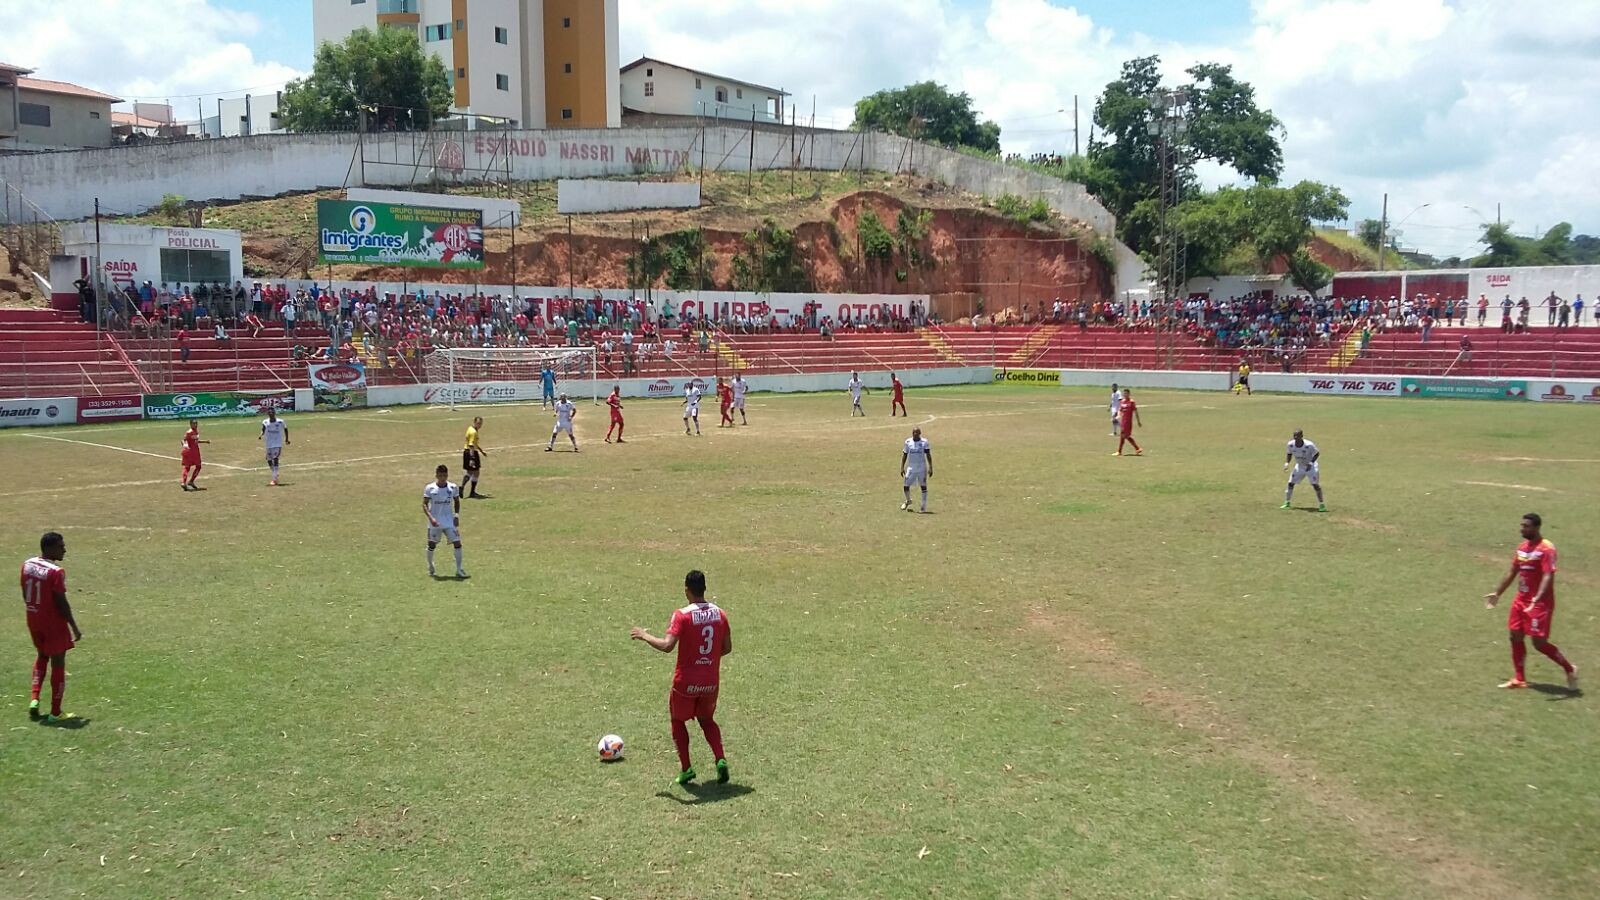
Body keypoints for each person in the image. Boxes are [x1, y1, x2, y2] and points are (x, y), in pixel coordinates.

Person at [629, 570, 733, 787]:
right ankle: (720, 759)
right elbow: (727, 648)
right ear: (704, 588)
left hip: (685, 682)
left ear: (687, 590)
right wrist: (707, 659)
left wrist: (644, 635)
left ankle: (686, 769)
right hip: (711, 682)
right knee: (707, 720)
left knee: (677, 720)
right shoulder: (720, 614)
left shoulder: (682, 615)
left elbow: (667, 646)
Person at [1484, 513, 1578, 691]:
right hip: (1521, 600)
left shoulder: (1546, 549)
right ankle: (1519, 679)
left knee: (1539, 643)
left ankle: (1570, 669)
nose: (1522, 529)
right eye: (1522, 525)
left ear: (1536, 528)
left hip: (1540, 603)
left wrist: (1538, 597)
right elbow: (1512, 572)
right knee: (1515, 635)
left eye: (1526, 526)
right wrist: (1498, 593)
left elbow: (1548, 575)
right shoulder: (1522, 548)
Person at [21, 532, 83, 723]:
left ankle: (34, 699)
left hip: (33, 619)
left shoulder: (28, 564)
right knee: (58, 663)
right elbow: (61, 602)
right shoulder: (55, 572)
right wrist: (73, 626)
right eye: (60, 546)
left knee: (41, 655)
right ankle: (55, 712)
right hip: (52, 623)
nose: (64, 549)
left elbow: (25, 591)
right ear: (48, 548)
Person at [422, 465, 466, 578]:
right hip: (435, 522)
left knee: (457, 543)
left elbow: (457, 501)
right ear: (436, 475)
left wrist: (456, 515)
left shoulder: (453, 487)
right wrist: (431, 518)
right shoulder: (430, 488)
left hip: (449, 522)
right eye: (440, 475)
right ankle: (431, 566)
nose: (442, 478)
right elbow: (424, 504)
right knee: (432, 544)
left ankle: (459, 569)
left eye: (445, 475)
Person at [1281, 429, 1325, 512]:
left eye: (1297, 436)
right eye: (1294, 436)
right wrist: (1287, 463)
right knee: (1290, 483)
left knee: (1315, 485)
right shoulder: (1291, 444)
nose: (1295, 437)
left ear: (1302, 436)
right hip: (1299, 466)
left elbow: (1317, 453)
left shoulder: (1309, 445)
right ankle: (1287, 502)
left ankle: (1321, 505)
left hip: (1311, 467)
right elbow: (1289, 453)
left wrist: (1311, 463)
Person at [901, 426, 933, 513]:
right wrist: (902, 467)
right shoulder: (908, 442)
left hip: (921, 467)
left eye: (917, 433)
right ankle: (908, 500)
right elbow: (905, 454)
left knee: (923, 486)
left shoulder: (924, 442)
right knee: (906, 486)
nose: (915, 434)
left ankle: (923, 507)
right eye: (913, 433)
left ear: (920, 433)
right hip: (911, 467)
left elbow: (928, 455)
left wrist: (930, 467)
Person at [260, 407, 290, 487]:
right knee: (269, 460)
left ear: (274, 413)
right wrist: (261, 434)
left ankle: (274, 479)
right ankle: (275, 473)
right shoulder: (265, 422)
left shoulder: (280, 421)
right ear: (268, 414)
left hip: (277, 443)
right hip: (268, 443)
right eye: (269, 413)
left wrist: (286, 439)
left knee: (275, 459)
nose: (271, 414)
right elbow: (263, 429)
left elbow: (286, 429)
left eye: (272, 412)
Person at [180, 419, 209, 491]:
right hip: (189, 452)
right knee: (187, 467)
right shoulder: (189, 432)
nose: (195, 425)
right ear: (190, 424)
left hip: (196, 452)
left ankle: (191, 481)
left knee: (198, 466)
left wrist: (205, 441)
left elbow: (195, 441)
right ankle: (184, 482)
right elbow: (183, 440)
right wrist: (184, 445)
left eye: (196, 423)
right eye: (194, 424)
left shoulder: (196, 432)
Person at [462, 416, 487, 497]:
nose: (480, 425)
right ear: (475, 422)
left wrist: (481, 451)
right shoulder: (473, 432)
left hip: (467, 452)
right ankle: (471, 492)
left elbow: (474, 443)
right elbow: (471, 445)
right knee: (476, 472)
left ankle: (462, 488)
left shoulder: (470, 429)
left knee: (470, 472)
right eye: (478, 423)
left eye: (481, 424)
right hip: (471, 452)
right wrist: (472, 458)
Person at [1114, 388, 1142, 457]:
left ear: (1129, 394)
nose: (1125, 395)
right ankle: (1137, 448)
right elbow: (1120, 410)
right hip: (1123, 421)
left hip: (1128, 422)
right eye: (1124, 393)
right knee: (1125, 436)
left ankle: (1119, 451)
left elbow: (1136, 412)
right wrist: (1118, 416)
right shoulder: (1122, 402)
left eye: (1126, 393)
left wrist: (1138, 421)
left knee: (1123, 435)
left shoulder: (1132, 402)